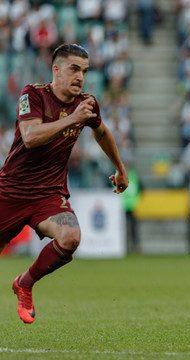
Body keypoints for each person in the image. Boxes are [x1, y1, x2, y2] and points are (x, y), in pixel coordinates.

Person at [0, 43, 129, 324]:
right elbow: (31, 136)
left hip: (49, 194)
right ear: (56, 70)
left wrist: (120, 168)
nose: (80, 77)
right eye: (74, 69)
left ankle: (25, 283)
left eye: (84, 71)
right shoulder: (32, 94)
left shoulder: (86, 103)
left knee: (70, 238)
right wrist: (73, 118)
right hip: (10, 193)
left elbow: (102, 133)